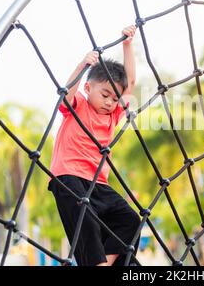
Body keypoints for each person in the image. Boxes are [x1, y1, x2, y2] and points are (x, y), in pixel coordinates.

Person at [48, 25, 141, 266]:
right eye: (105, 94)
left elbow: (129, 82)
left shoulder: (113, 115)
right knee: (85, 220)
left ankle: (106, 264)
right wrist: (82, 67)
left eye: (114, 98)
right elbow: (65, 95)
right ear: (89, 88)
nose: (110, 102)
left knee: (130, 219)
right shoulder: (78, 105)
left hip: (98, 183)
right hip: (69, 178)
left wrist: (127, 45)